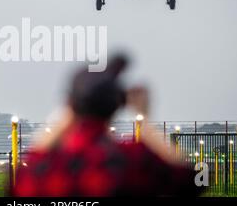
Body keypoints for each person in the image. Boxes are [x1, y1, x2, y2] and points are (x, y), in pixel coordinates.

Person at [12, 54, 201, 197]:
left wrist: (70, 110)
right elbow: (192, 179)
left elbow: (19, 181)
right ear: (119, 103)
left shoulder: (48, 169)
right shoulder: (134, 160)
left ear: (70, 104)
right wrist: (143, 118)